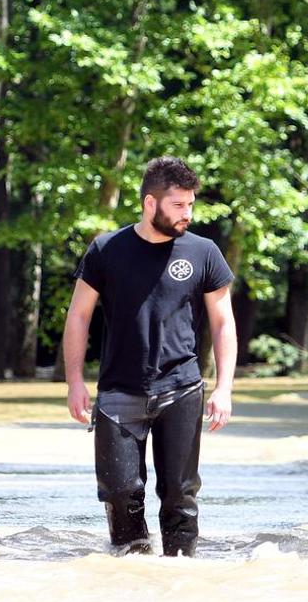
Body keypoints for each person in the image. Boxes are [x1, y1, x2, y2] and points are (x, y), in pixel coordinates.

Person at [63, 156, 237, 556]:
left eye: (191, 204)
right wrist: (75, 382)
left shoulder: (203, 252)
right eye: (178, 205)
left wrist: (225, 387)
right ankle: (132, 577)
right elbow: (79, 314)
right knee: (120, 493)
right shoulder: (107, 249)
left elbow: (223, 322)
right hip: (118, 393)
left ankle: (179, 579)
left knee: (179, 497)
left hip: (181, 389)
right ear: (149, 203)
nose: (187, 214)